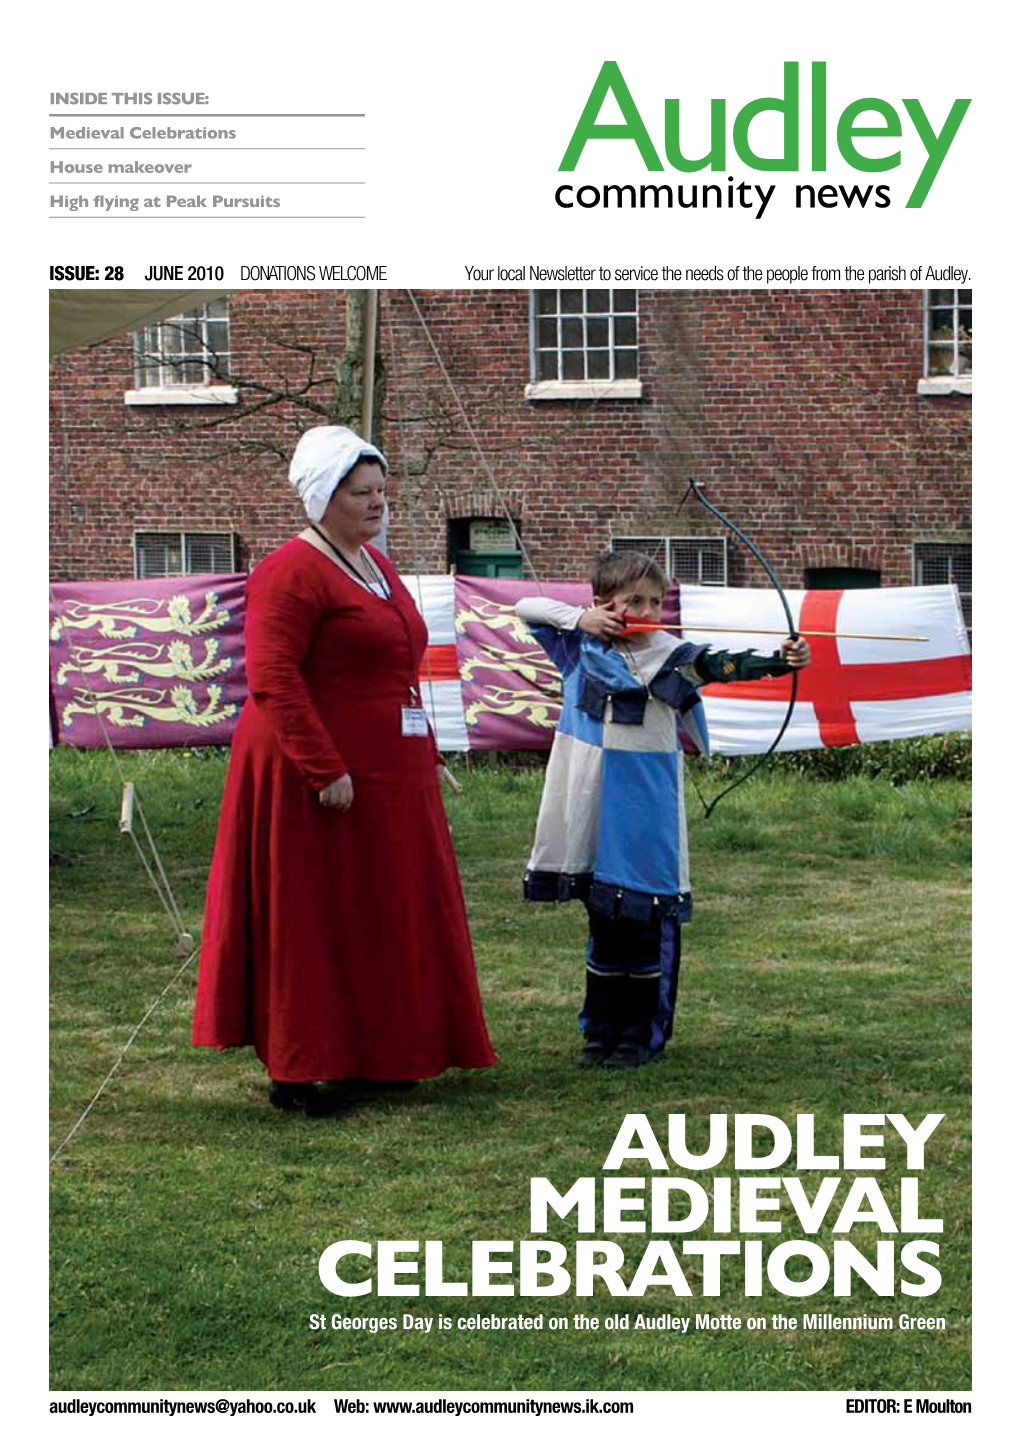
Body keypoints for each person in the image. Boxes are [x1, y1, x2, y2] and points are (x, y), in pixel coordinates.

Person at [193, 425, 496, 1115]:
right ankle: (300, 1067)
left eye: (382, 490)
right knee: (312, 916)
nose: (376, 503)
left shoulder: (377, 567)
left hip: (390, 772)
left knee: (383, 910)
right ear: (323, 497)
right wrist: (322, 766)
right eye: (361, 493)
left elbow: (395, 664)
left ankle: (382, 1051)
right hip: (310, 773)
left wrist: (421, 755)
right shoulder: (290, 572)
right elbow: (272, 677)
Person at [515, 549, 810, 1070]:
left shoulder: (671, 656)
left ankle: (641, 1034)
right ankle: (601, 1032)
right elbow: (527, 606)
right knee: (604, 923)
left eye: (656, 602)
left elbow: (720, 664)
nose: (649, 613)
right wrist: (581, 619)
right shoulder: (578, 648)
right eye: (635, 602)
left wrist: (776, 661)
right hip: (590, 803)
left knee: (645, 926)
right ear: (603, 605)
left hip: (644, 809)